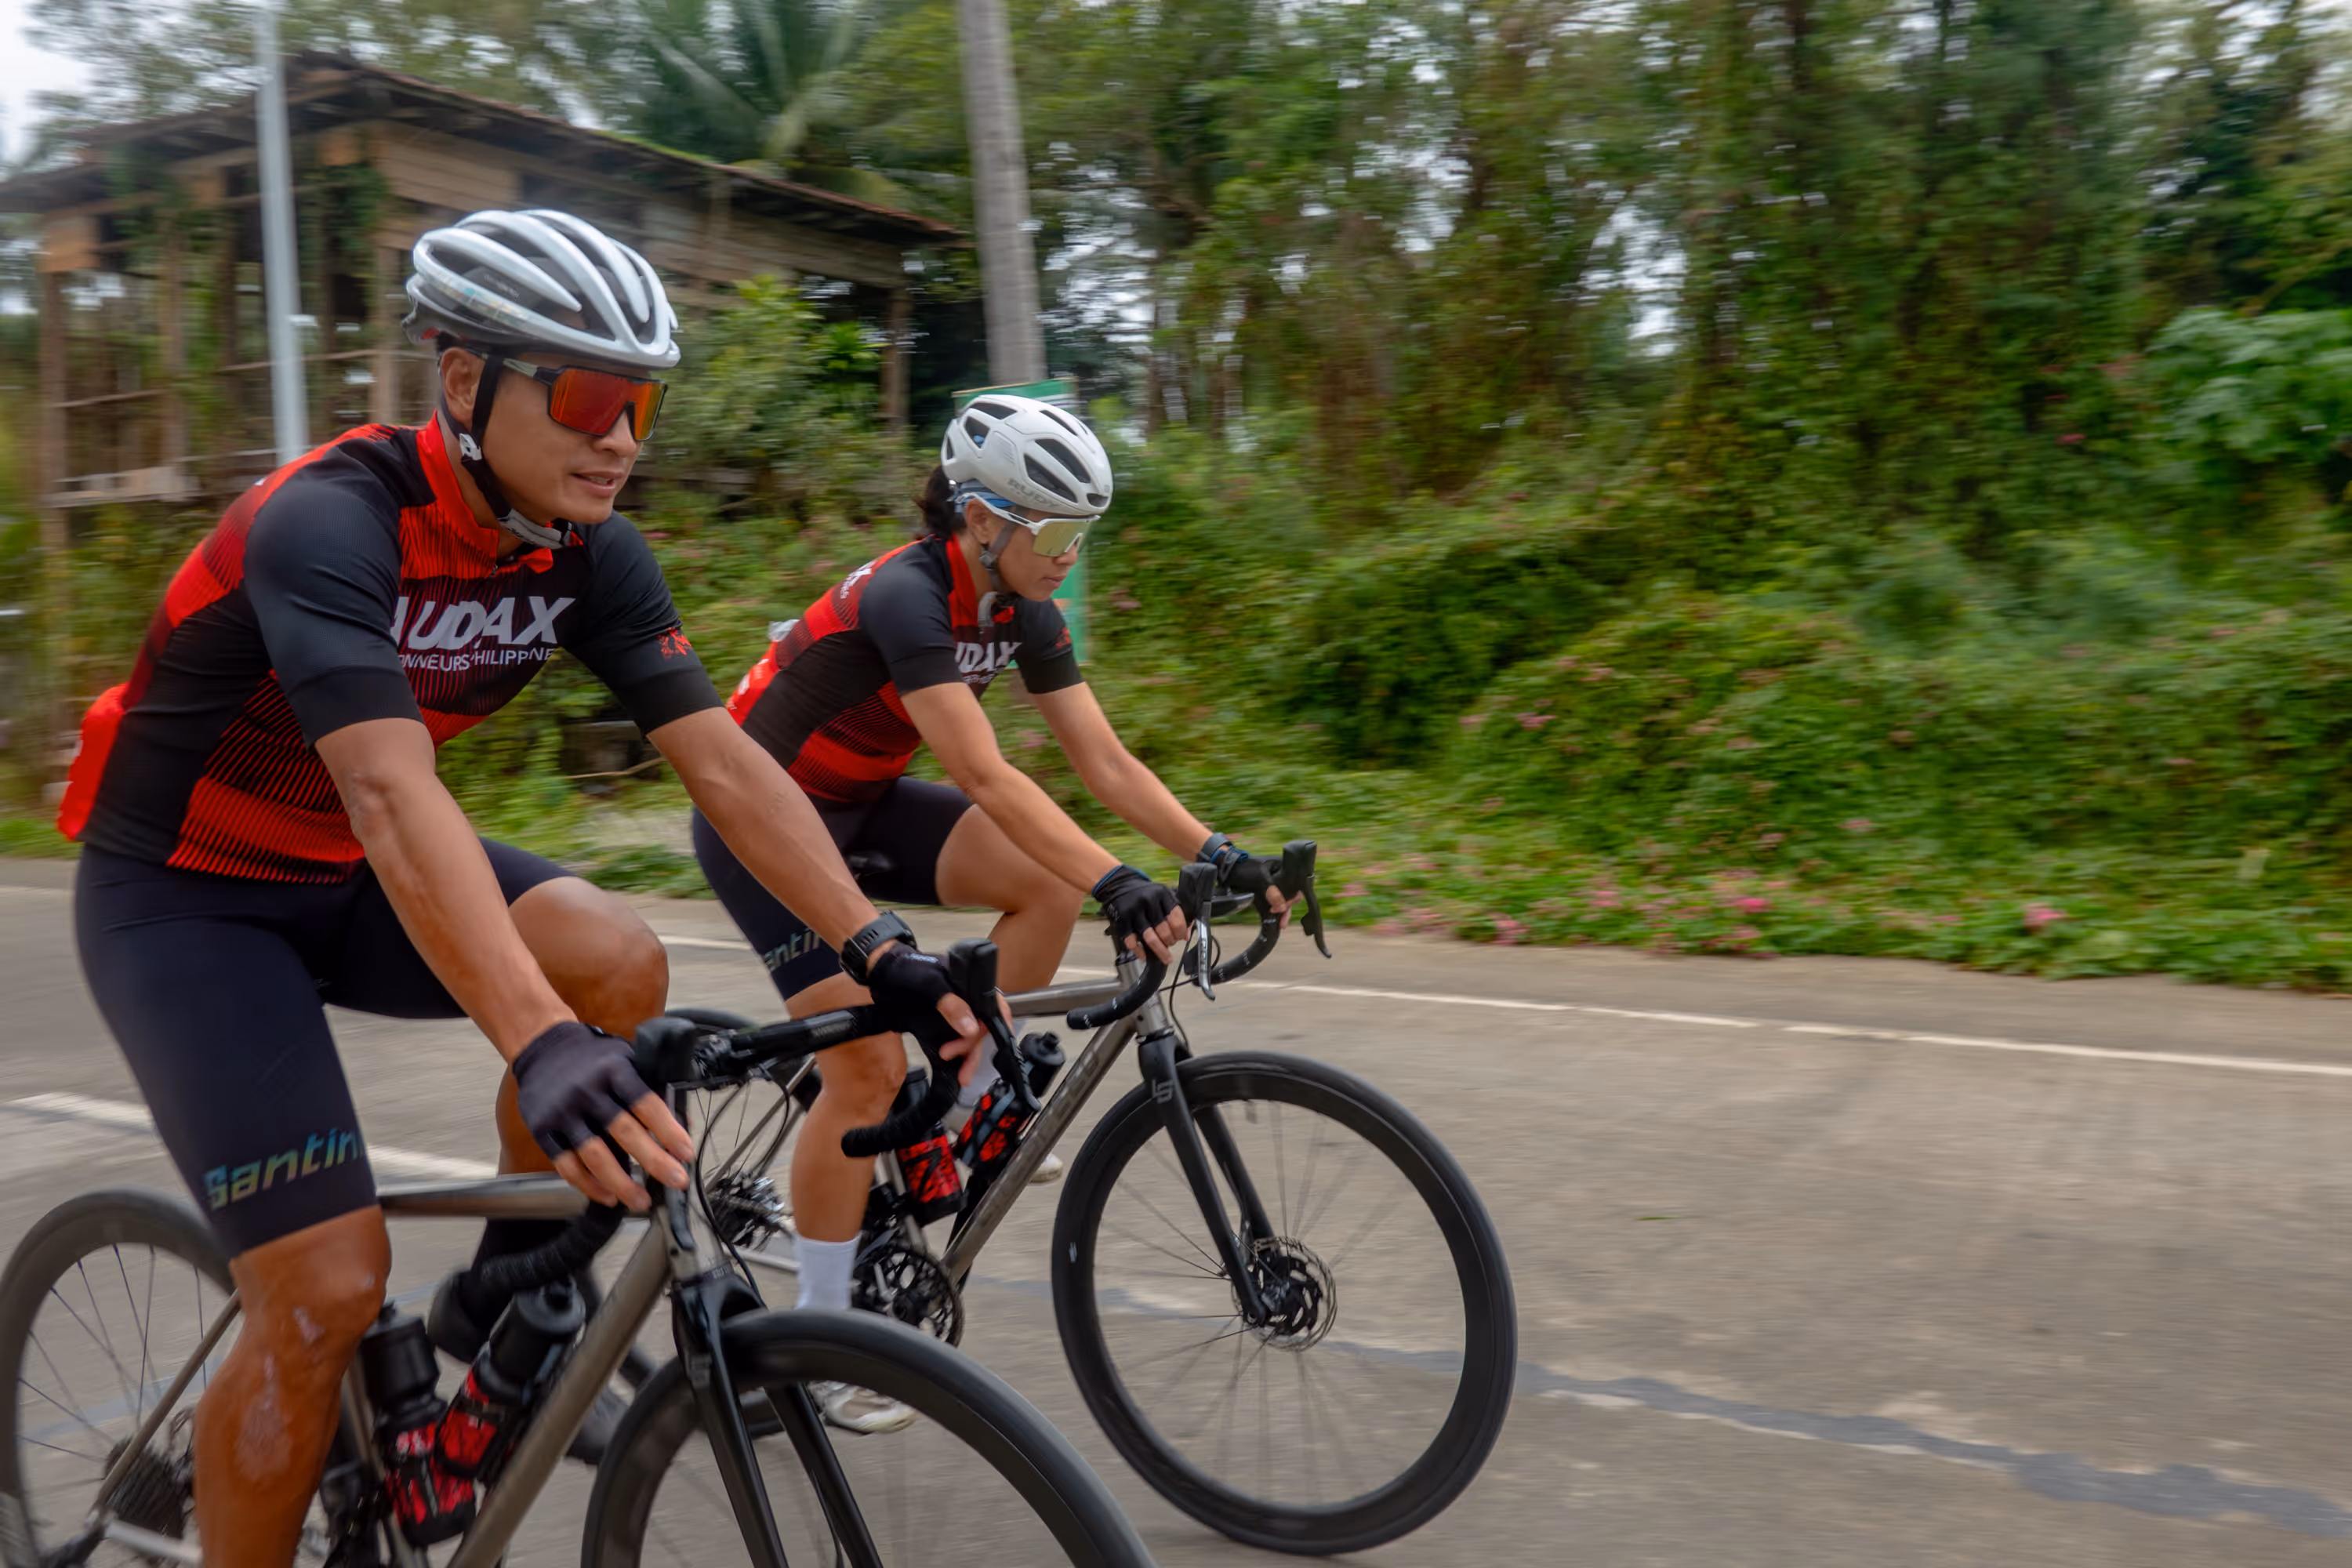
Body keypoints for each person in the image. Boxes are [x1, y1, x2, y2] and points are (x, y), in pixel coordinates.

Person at [58, 209, 987, 1568]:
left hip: (349, 872)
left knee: (615, 955)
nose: (622, 436)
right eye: (588, 395)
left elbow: (726, 769)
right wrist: (537, 1043)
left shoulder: (589, 554)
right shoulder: (328, 520)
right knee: (323, 1288)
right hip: (187, 896)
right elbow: (388, 790)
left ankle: (496, 1305)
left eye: (644, 404)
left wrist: (879, 946)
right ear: (462, 382)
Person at [694, 393, 1290, 1431]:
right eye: (1055, 533)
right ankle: (822, 1344)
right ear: (979, 520)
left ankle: (958, 1093)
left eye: (1082, 537)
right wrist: (1122, 880)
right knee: (866, 1069)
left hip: (860, 804)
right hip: (762, 818)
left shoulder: (1022, 610)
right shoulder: (907, 596)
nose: (1069, 557)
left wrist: (1218, 854)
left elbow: (1100, 760)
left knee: (1043, 883)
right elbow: (982, 771)